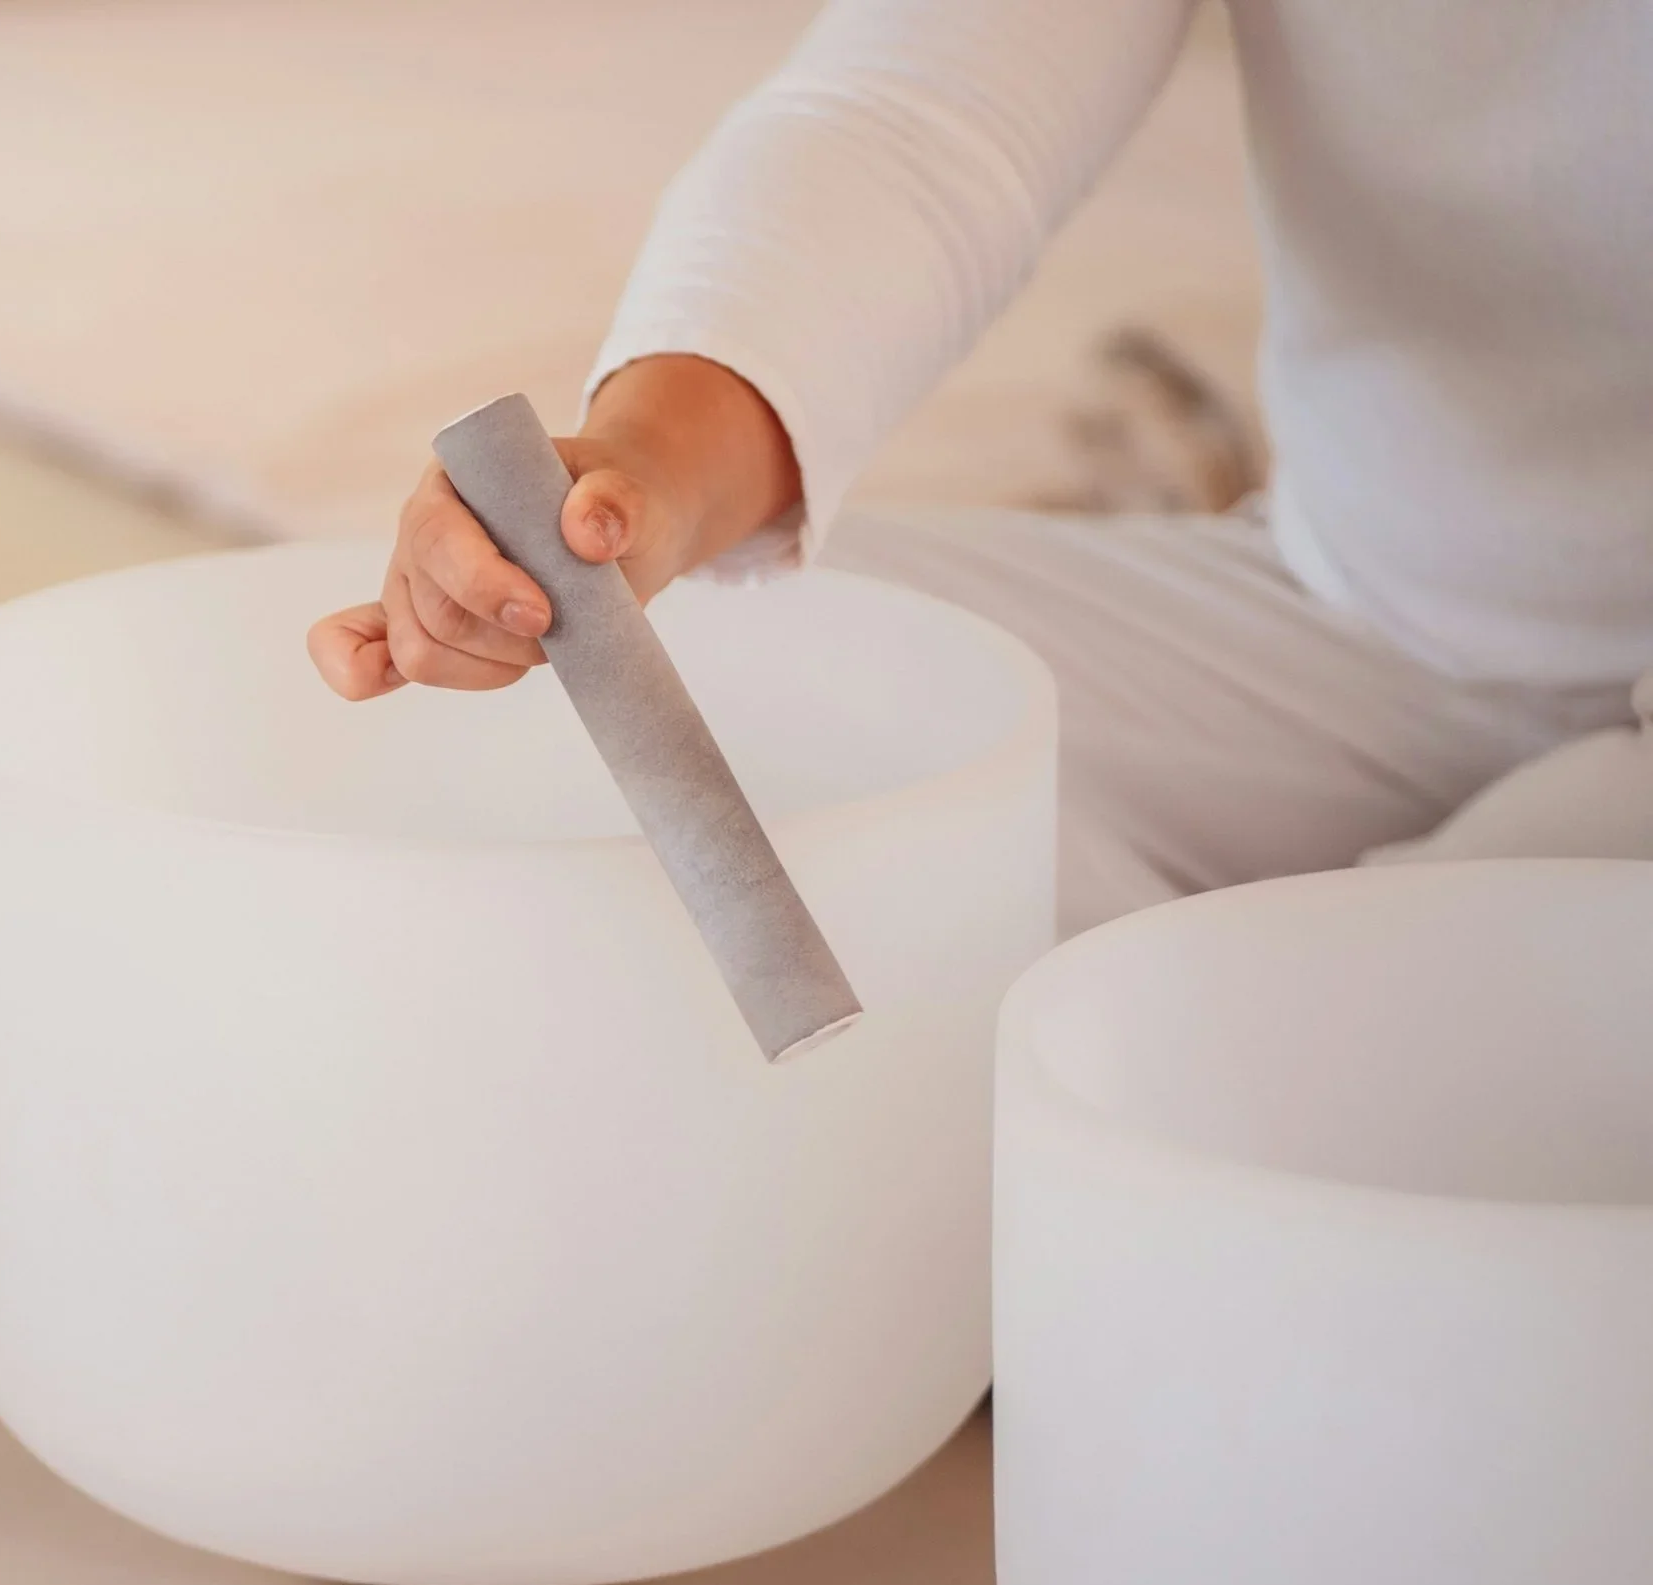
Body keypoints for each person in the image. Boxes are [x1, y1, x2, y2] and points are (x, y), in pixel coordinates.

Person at [305, 0, 1650, 934]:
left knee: (1428, 1075)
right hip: (1359, 612)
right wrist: (643, 476)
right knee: (653, 693)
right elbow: (919, 109)